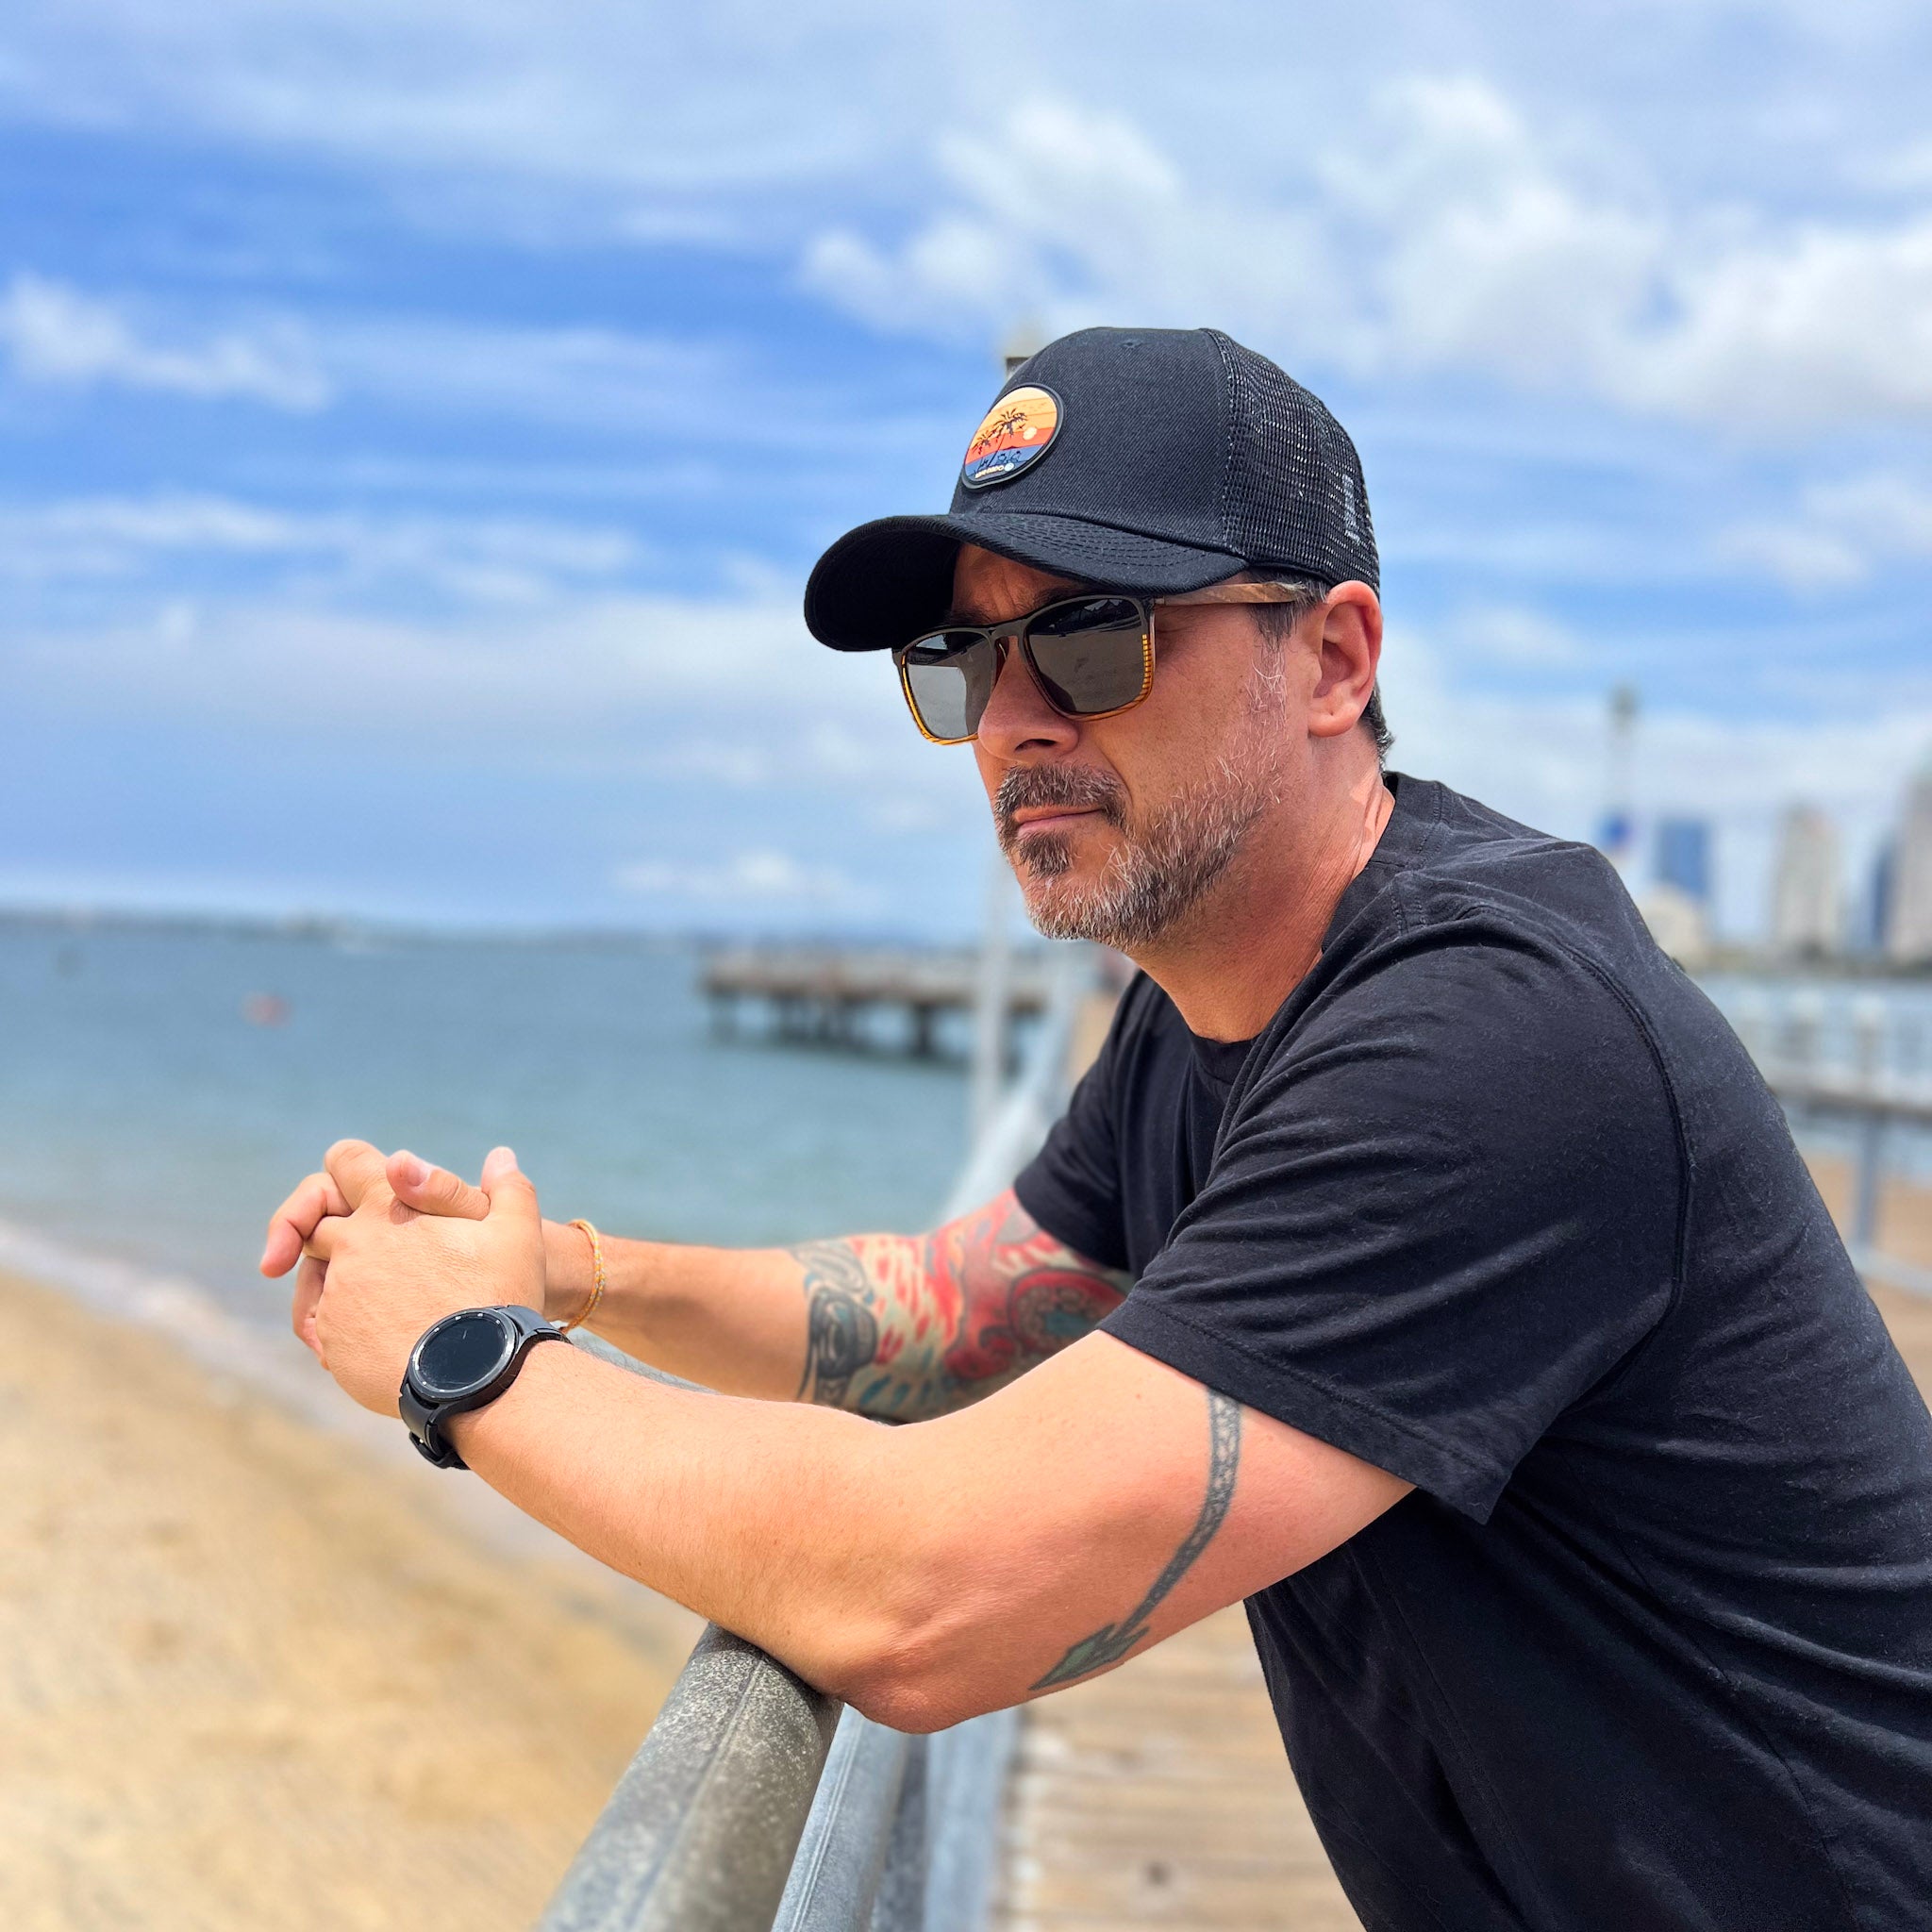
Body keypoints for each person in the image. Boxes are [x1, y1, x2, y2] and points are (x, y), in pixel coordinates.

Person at [262, 327, 1932, 1931]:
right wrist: (569, 1267)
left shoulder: (1490, 1041)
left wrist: (466, 1361)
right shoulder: (1203, 997)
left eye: (1093, 635)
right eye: (965, 660)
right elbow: (967, 1307)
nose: (1012, 718)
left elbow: (923, 1598)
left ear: (1336, 659)